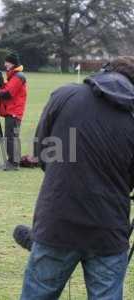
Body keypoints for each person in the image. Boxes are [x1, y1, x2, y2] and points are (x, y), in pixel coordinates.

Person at [19, 56, 134, 300]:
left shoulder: (65, 95)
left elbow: (43, 153)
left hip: (57, 223)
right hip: (109, 231)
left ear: (103, 71)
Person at [0, 52, 27, 170]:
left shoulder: (18, 77)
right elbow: (7, 88)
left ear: (12, 63)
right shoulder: (14, 76)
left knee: (12, 137)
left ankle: (13, 163)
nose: (5, 64)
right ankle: (13, 161)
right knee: (12, 137)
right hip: (13, 112)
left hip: (14, 113)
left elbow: (7, 93)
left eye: (7, 62)